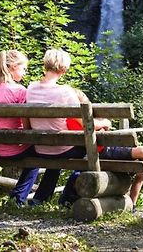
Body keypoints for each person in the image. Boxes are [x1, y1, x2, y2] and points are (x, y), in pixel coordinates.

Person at [59, 89, 143, 212]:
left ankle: (133, 205)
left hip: (102, 151)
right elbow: (95, 126)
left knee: (142, 172)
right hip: (104, 152)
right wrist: (105, 123)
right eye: (84, 96)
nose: (86, 98)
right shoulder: (79, 118)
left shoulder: (71, 118)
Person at [26, 48, 87, 206]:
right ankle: (69, 197)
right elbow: (85, 123)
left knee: (57, 152)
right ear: (64, 69)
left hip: (40, 148)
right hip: (60, 149)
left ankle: (40, 199)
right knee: (90, 150)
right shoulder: (66, 91)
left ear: (45, 65)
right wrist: (105, 123)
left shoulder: (31, 88)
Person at [0, 50, 39, 206]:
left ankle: (17, 196)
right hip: (16, 149)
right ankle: (18, 198)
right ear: (13, 67)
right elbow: (27, 125)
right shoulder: (20, 91)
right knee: (39, 155)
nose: (24, 72)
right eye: (23, 68)